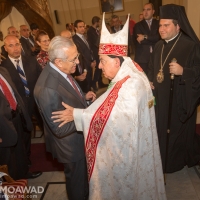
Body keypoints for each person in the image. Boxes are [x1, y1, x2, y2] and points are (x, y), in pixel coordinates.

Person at [52, 13, 166, 200]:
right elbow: (112, 100)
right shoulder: (128, 70)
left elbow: (117, 117)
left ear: (116, 61)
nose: (100, 67)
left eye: (103, 62)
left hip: (130, 155)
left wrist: (79, 115)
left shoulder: (131, 84)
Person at [34, 36, 96, 199]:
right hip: (71, 147)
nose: (77, 62)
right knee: (77, 184)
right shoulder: (48, 89)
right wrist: (86, 116)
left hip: (77, 140)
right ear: (59, 62)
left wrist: (83, 97)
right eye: (74, 58)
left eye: (77, 56)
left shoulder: (60, 70)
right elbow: (59, 129)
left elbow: (67, 91)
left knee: (85, 181)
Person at [147, 4, 200, 173]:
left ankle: (175, 161)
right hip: (160, 99)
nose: (161, 29)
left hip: (179, 100)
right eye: (160, 25)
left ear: (178, 26)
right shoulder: (158, 46)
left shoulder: (191, 45)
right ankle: (162, 160)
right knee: (161, 128)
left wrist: (184, 71)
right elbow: (151, 68)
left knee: (176, 130)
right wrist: (149, 80)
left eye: (166, 25)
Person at [1, 35, 42, 176]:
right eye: (11, 45)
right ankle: (25, 163)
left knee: (41, 130)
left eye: (17, 44)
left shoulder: (31, 60)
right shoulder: (4, 67)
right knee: (22, 137)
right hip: (17, 109)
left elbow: (41, 79)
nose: (15, 48)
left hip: (35, 103)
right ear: (5, 49)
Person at [0, 67, 40, 180]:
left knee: (20, 150)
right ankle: (11, 188)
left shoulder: (3, 70)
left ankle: (24, 174)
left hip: (16, 116)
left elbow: (14, 93)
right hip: (2, 126)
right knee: (8, 159)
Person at [133, 3, 160, 75]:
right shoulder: (138, 25)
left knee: (156, 79)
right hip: (142, 58)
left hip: (157, 56)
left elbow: (159, 37)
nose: (145, 12)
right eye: (144, 10)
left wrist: (145, 37)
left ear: (153, 11)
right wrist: (153, 38)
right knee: (144, 81)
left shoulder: (158, 23)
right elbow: (140, 41)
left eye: (148, 9)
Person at [73, 20, 96, 92]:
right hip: (84, 66)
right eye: (80, 27)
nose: (83, 28)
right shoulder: (75, 39)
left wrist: (93, 59)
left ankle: (90, 93)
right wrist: (90, 63)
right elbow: (81, 54)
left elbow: (89, 49)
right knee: (86, 85)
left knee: (89, 82)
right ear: (75, 28)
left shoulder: (84, 37)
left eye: (83, 26)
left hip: (89, 64)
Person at [87, 16, 108, 91]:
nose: (99, 23)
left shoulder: (95, 30)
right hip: (95, 51)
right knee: (98, 68)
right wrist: (100, 35)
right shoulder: (90, 31)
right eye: (99, 22)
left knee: (100, 67)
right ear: (96, 22)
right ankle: (94, 82)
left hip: (98, 51)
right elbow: (95, 42)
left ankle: (100, 82)